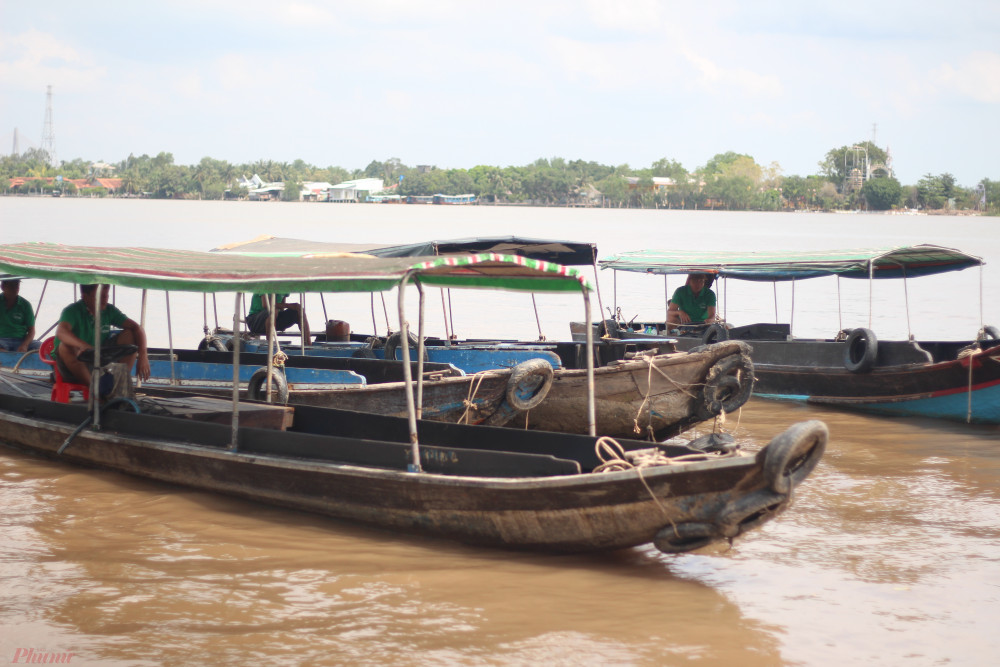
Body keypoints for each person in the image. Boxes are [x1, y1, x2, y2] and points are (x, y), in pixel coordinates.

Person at [54, 284, 150, 387]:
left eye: (106, 295)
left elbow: (137, 328)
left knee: (130, 334)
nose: (104, 299)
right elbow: (61, 332)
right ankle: (95, 391)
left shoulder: (109, 310)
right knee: (64, 347)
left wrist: (143, 355)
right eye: (99, 296)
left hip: (100, 359)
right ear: (85, 296)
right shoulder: (72, 311)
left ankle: (118, 385)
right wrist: (83, 346)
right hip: (74, 366)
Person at [246, 293, 310, 340]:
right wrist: (289, 305)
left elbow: (282, 307)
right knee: (273, 310)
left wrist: (295, 308)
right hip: (254, 322)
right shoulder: (264, 283)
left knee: (299, 310)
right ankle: (270, 345)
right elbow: (265, 304)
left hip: (274, 320)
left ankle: (308, 343)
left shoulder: (285, 288)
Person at [0, 278, 40, 352]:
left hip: (21, 340)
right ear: (2, 287)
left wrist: (25, 345)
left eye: (17, 285)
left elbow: (31, 330)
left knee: (42, 347)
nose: (15, 288)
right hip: (1, 340)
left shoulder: (25, 305)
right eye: (11, 285)